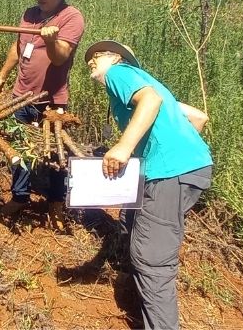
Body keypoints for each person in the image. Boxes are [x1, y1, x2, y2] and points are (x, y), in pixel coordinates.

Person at [84, 40, 213, 330]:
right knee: (130, 218)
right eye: (89, 59)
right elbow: (198, 117)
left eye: (97, 56)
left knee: (152, 259)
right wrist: (179, 150)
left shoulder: (119, 73)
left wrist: (122, 147)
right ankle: (135, 289)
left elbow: (151, 102)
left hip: (171, 173)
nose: (90, 61)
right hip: (193, 168)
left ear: (115, 58)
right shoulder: (148, 83)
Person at [0, 0, 84, 229]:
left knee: (56, 156)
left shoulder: (71, 17)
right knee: (18, 149)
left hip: (52, 101)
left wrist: (52, 40)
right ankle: (20, 197)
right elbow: (18, 47)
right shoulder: (30, 14)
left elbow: (61, 57)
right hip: (21, 96)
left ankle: (55, 203)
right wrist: (1, 77)